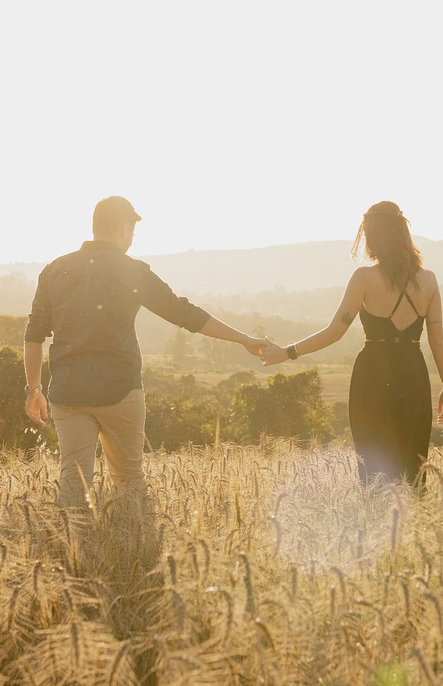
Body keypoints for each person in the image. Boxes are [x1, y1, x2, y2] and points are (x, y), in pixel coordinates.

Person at [25, 196, 271, 526]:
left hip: (68, 394)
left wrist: (33, 389)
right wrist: (244, 338)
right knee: (129, 483)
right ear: (125, 229)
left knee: (72, 484)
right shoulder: (133, 271)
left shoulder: (55, 269)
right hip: (121, 390)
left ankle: (73, 559)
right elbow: (184, 313)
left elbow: (34, 334)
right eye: (132, 231)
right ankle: (133, 554)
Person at [264, 201, 443, 484]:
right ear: (403, 233)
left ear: (374, 236)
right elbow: (437, 340)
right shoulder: (429, 280)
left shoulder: (364, 278)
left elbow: (333, 332)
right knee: (413, 470)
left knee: (374, 470)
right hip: (414, 375)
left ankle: (378, 523)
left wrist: (287, 352)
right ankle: (412, 524)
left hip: (373, 376)